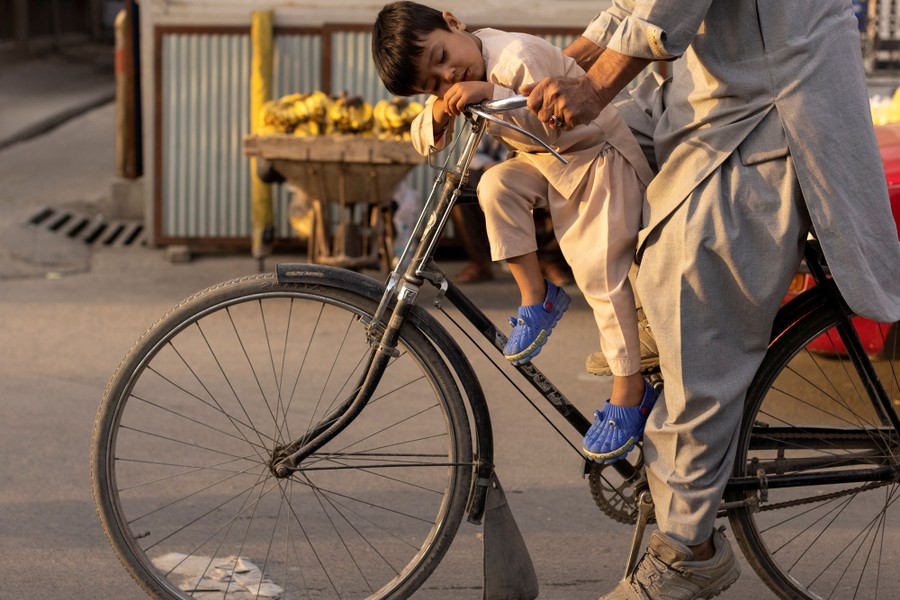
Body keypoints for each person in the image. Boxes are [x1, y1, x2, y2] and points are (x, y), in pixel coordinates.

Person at [524, 1, 900, 598]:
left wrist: (593, 88)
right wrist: (538, 79)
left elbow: (663, 13)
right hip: (702, 95)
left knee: (693, 317)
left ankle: (688, 553)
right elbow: (632, 8)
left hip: (763, 106)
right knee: (578, 163)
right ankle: (646, 335)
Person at [372, 0, 660, 461]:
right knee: (496, 185)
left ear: (453, 23)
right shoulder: (460, 73)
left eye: (442, 60)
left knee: (599, 273)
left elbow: (554, 121)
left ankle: (631, 388)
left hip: (598, 158)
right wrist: (441, 116)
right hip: (550, 162)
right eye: (429, 83)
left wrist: (488, 90)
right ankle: (537, 294)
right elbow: (421, 136)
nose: (445, 79)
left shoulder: (514, 56)